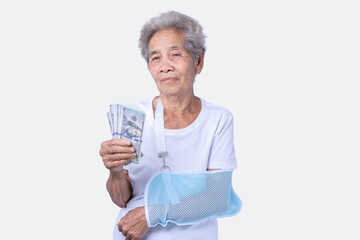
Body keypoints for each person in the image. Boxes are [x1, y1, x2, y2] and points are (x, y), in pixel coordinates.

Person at [99, 10, 238, 240]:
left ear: (198, 61)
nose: (165, 66)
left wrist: (150, 214)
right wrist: (115, 172)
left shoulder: (218, 120)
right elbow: (121, 199)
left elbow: (217, 197)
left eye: (175, 54)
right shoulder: (133, 118)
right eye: (155, 58)